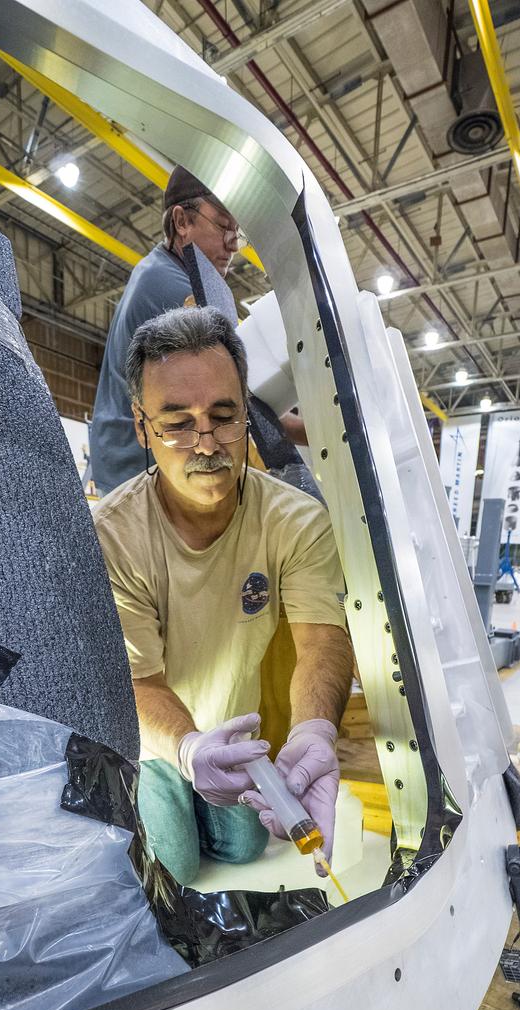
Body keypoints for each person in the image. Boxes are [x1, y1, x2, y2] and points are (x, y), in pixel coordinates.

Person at [94, 306, 353, 887]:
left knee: (243, 847)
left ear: (245, 416)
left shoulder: (296, 521)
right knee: (176, 867)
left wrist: (315, 731)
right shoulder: (113, 536)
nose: (206, 443)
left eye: (223, 416)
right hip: (158, 738)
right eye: (177, 423)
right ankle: (155, 795)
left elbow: (322, 641)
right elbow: (138, 680)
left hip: (233, 734)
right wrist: (187, 751)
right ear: (142, 427)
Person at [89, 166, 304, 495]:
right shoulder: (178, 291)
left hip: (124, 462)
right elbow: (240, 403)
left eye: (237, 233)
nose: (233, 245)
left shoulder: (159, 269)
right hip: (140, 472)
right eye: (223, 226)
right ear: (181, 222)